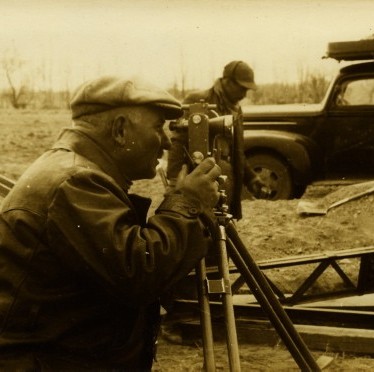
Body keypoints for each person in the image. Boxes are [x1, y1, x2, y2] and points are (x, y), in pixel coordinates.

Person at [0, 76, 222, 370]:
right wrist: (188, 202)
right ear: (119, 129)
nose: (167, 143)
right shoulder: (75, 181)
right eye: (158, 128)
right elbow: (139, 272)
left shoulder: (79, 173)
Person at [167, 60, 266, 220]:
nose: (244, 94)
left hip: (227, 180)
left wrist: (251, 177)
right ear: (226, 81)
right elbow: (177, 143)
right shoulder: (198, 101)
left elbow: (237, 150)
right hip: (201, 182)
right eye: (242, 88)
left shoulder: (235, 108)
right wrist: (173, 183)